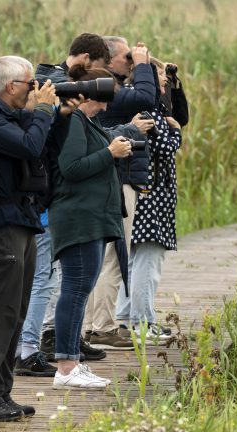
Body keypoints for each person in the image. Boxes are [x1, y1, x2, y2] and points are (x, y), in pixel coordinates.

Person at [0, 56, 57, 421]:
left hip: (22, 217)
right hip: (0, 221)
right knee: (0, 310)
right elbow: (30, 146)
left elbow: (39, 143)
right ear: (11, 87)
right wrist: (44, 112)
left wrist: (49, 114)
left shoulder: (7, 114)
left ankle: (1, 393)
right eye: (30, 84)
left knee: (17, 310)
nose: (35, 89)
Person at [14, 33, 112, 375]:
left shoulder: (62, 97)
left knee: (51, 279)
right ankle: (29, 350)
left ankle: (39, 346)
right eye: (97, 74)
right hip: (44, 203)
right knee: (45, 279)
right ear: (84, 59)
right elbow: (66, 164)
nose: (97, 91)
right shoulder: (53, 86)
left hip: (46, 201)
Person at [48, 65, 141, 389]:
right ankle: (65, 366)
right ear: (87, 96)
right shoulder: (73, 122)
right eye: (102, 101)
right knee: (74, 290)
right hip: (77, 217)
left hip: (91, 217)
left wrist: (112, 148)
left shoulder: (86, 121)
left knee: (80, 288)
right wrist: (109, 152)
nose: (105, 107)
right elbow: (70, 168)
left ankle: (72, 360)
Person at [79, 36, 158, 349]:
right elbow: (147, 98)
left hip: (110, 180)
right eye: (127, 56)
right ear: (109, 60)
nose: (132, 60)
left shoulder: (112, 92)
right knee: (113, 256)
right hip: (117, 180)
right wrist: (142, 66)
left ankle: (93, 324)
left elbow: (157, 100)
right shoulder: (114, 94)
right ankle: (103, 325)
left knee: (101, 257)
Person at [115, 57, 182, 339]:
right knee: (147, 260)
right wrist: (176, 132)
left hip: (148, 193)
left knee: (137, 259)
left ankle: (126, 317)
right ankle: (142, 322)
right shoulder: (148, 113)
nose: (165, 83)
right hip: (151, 195)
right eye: (161, 79)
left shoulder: (145, 109)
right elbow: (164, 148)